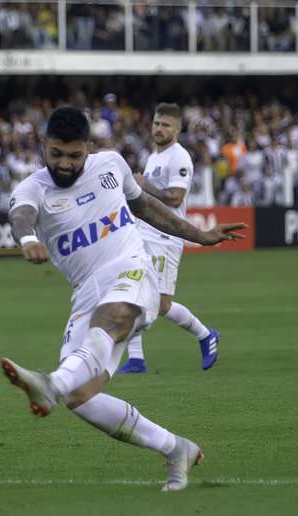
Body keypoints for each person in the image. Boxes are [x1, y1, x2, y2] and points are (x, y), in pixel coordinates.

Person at [2, 107, 245, 491]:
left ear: (89, 148)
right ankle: (174, 448)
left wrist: (201, 235)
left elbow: (146, 206)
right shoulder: (32, 188)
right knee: (82, 398)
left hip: (131, 270)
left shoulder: (111, 165)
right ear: (43, 147)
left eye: (74, 155)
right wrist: (29, 240)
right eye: (56, 154)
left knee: (113, 315)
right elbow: (22, 218)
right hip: (86, 295)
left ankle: (50, 384)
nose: (65, 163)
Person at [119, 103, 219, 374]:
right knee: (129, 290)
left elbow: (175, 197)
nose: (159, 129)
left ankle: (205, 334)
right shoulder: (154, 156)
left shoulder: (179, 157)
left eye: (166, 125)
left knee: (161, 305)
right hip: (143, 232)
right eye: (156, 123)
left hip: (165, 237)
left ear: (178, 128)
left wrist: (144, 186)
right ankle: (136, 359)